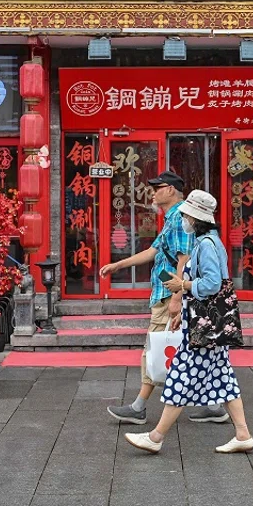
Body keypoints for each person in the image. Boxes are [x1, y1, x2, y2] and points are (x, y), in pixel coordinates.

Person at [124, 190, 253, 454]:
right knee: (223, 379)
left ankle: (156, 437)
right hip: (210, 324)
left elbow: (212, 283)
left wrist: (182, 284)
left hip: (205, 327)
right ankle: (242, 434)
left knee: (180, 378)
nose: (183, 219)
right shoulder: (210, 241)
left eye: (185, 215)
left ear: (195, 219)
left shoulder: (205, 244)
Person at [101, 171, 228, 425]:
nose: (152, 192)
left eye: (157, 188)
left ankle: (139, 407)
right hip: (171, 293)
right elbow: (153, 251)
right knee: (197, 351)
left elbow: (184, 259)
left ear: (170, 189)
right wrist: (118, 265)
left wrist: (176, 298)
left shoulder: (182, 216)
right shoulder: (172, 218)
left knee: (153, 349)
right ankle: (215, 405)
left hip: (171, 294)